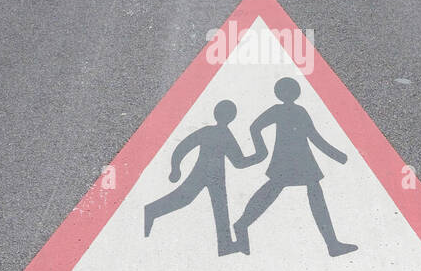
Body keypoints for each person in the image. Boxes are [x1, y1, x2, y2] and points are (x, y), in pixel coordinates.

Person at [232, 77, 357, 258]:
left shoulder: (299, 111)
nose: (291, 94)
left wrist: (336, 155)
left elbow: (313, 136)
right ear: (282, 93)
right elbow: (255, 127)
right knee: (274, 192)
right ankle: (242, 224)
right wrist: (261, 150)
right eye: (288, 91)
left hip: (300, 158)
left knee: (301, 193)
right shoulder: (283, 110)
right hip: (289, 158)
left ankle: (332, 244)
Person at [144, 101, 261, 257]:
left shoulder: (208, 131)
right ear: (232, 117)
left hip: (209, 174)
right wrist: (259, 156)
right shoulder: (225, 133)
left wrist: (176, 167)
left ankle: (225, 245)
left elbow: (182, 147)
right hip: (210, 174)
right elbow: (239, 162)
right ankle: (151, 211)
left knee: (216, 207)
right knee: (192, 201)